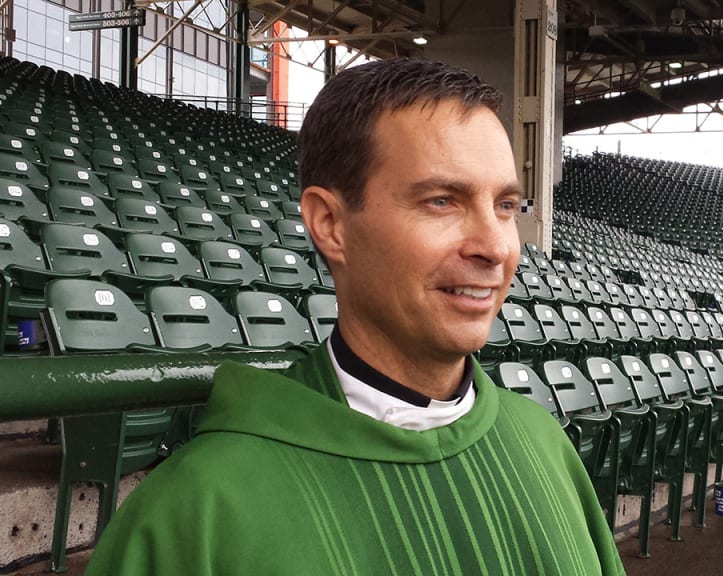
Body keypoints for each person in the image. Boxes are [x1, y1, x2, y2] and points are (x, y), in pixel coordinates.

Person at [85, 58, 625, 575]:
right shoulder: (198, 507)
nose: (495, 247)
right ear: (330, 224)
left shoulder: (542, 441)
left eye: (506, 206)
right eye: (442, 201)